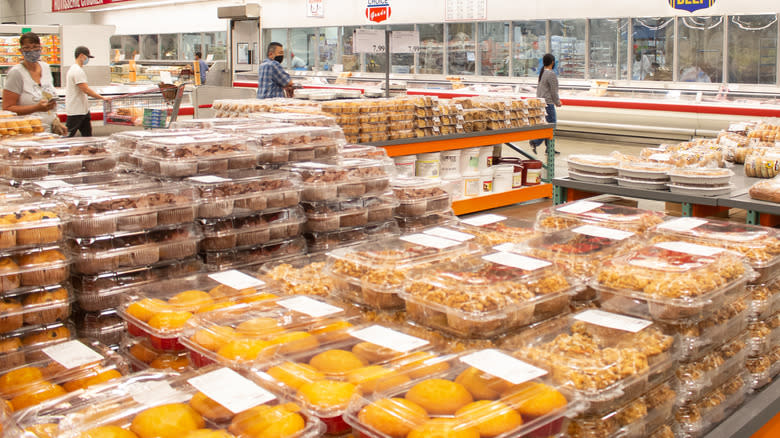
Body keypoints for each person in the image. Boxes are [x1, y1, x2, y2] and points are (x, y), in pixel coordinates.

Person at [2, 32, 66, 134]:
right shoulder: (16, 73)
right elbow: (7, 108)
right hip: (29, 132)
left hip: (50, 131)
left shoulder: (46, 68)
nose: (31, 51)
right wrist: (36, 108)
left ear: (41, 48)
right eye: (27, 48)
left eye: (35, 47)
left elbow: (48, 96)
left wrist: (55, 120)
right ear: (20, 51)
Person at [65, 46, 107, 137]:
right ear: (81, 56)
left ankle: (88, 150)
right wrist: (102, 97)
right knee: (67, 136)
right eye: (87, 57)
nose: (87, 59)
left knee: (87, 135)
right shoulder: (77, 71)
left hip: (83, 111)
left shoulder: (75, 69)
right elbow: (85, 89)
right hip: (76, 111)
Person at [530, 53, 562, 155]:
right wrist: (557, 102)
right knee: (551, 126)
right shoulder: (551, 74)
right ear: (553, 62)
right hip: (548, 104)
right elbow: (553, 91)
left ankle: (549, 148)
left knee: (547, 125)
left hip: (541, 103)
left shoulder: (542, 72)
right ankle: (535, 142)